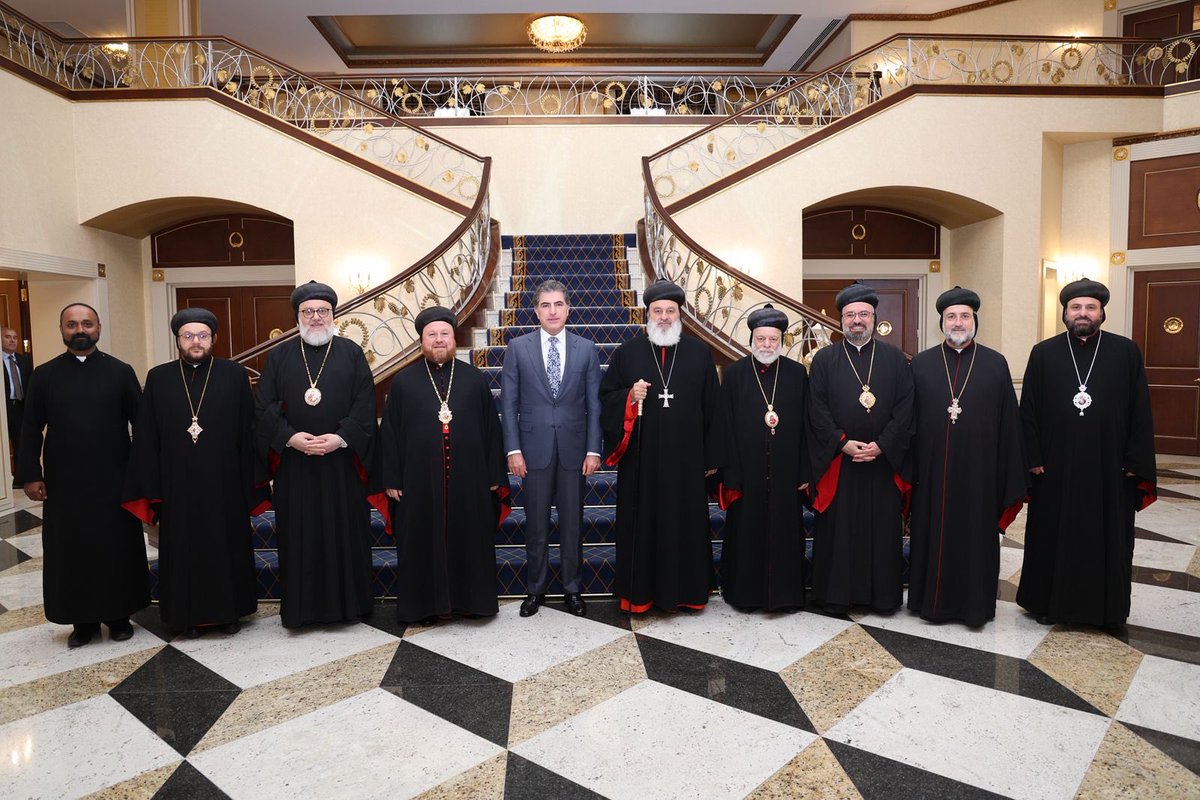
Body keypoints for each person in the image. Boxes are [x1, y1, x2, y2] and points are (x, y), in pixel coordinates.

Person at [1018, 278, 1156, 629]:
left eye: (1090, 307)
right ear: (1064, 312)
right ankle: (1047, 603)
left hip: (1109, 467)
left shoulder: (1125, 352)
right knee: (1052, 534)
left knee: (1107, 535)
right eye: (1076, 307)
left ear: (1102, 313)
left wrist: (1134, 459)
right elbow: (1028, 410)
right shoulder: (1044, 352)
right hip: (1054, 466)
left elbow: (1140, 409)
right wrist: (1032, 457)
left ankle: (1106, 609)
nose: (1083, 313)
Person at [122, 308, 266, 637]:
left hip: (224, 480)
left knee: (225, 545)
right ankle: (185, 617)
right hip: (177, 483)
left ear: (213, 338)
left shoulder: (234, 374)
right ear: (178, 341)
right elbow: (147, 436)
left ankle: (230, 613)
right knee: (182, 549)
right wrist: (153, 485)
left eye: (202, 335)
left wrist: (250, 482)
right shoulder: (159, 377)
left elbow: (249, 429)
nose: (195, 342)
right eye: (188, 336)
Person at [18, 303, 147, 648]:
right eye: (72, 324)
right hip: (65, 484)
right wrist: (30, 474)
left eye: (86, 324)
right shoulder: (44, 375)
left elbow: (143, 424)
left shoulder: (120, 372)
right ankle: (82, 622)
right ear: (62, 329)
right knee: (71, 551)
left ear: (98, 327)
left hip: (115, 480)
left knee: (116, 547)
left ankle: (120, 617)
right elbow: (30, 428)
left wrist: (142, 473)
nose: (80, 330)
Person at [255, 281, 381, 628]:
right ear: (297, 317)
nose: (315, 317)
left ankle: (349, 606)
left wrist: (340, 439)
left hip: (341, 464)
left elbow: (365, 404)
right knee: (299, 536)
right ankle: (300, 611)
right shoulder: (279, 356)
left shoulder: (351, 353)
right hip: (295, 466)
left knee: (345, 535)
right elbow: (263, 407)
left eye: (322, 311)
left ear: (333, 315)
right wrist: (290, 437)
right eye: (307, 312)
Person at [600, 279, 723, 614]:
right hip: (643, 463)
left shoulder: (699, 353)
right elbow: (606, 399)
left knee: (685, 525)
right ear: (648, 315)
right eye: (658, 311)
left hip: (687, 461)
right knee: (644, 524)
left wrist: (712, 457)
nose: (665, 317)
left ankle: (688, 594)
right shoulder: (627, 353)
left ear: (680, 315)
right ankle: (640, 595)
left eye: (671, 311)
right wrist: (628, 397)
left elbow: (713, 406)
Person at [380, 306, 508, 624]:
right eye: (432, 335)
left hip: (470, 480)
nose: (439, 340)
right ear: (421, 340)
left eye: (444, 334)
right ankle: (424, 606)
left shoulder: (474, 379)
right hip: (418, 482)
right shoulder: (402, 382)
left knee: (471, 539)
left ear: (454, 338)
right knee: (421, 542)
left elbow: (492, 430)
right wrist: (393, 476)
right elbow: (390, 434)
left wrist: (494, 475)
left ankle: (472, 603)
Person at [907, 287, 1026, 626]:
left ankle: (975, 607)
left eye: (964, 316)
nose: (958, 322)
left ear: (975, 321)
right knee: (931, 534)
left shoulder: (995, 363)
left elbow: (1008, 424)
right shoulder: (922, 364)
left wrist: (1007, 473)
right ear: (941, 322)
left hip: (980, 474)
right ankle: (927, 602)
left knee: (976, 538)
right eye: (951, 317)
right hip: (931, 473)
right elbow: (908, 421)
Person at [807, 282, 914, 615]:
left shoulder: (896, 359)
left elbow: (906, 408)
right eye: (850, 315)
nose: (857, 320)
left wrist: (882, 446)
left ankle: (882, 598)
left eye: (863, 314)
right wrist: (842, 443)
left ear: (873, 318)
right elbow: (816, 408)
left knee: (881, 531)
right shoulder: (824, 359)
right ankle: (836, 596)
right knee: (839, 533)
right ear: (841, 321)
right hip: (841, 463)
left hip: (881, 463)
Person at [501, 280, 602, 618]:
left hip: (575, 451)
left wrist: (593, 449)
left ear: (568, 308)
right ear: (536, 310)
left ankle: (573, 589)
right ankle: (536, 589)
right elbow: (509, 403)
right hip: (533, 451)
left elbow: (594, 405)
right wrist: (513, 450)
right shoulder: (518, 347)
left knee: (573, 525)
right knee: (537, 526)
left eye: (559, 304)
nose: (553, 311)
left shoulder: (587, 348)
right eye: (546, 305)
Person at [717, 304, 811, 612]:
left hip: (786, 471)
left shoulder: (797, 374)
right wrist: (730, 474)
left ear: (781, 342)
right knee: (746, 534)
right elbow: (725, 425)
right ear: (751, 340)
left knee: (786, 533)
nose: (766, 345)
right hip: (747, 471)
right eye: (761, 339)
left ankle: (786, 596)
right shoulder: (734, 374)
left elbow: (808, 426)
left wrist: (804, 471)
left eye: (772, 339)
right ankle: (744, 596)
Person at [3, 327, 32, 484]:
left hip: (20, 408)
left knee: (21, 444)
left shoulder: (24, 360)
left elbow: (30, 385)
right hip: (3, 408)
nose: (12, 340)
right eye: (8, 337)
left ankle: (20, 480)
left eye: (15, 337)